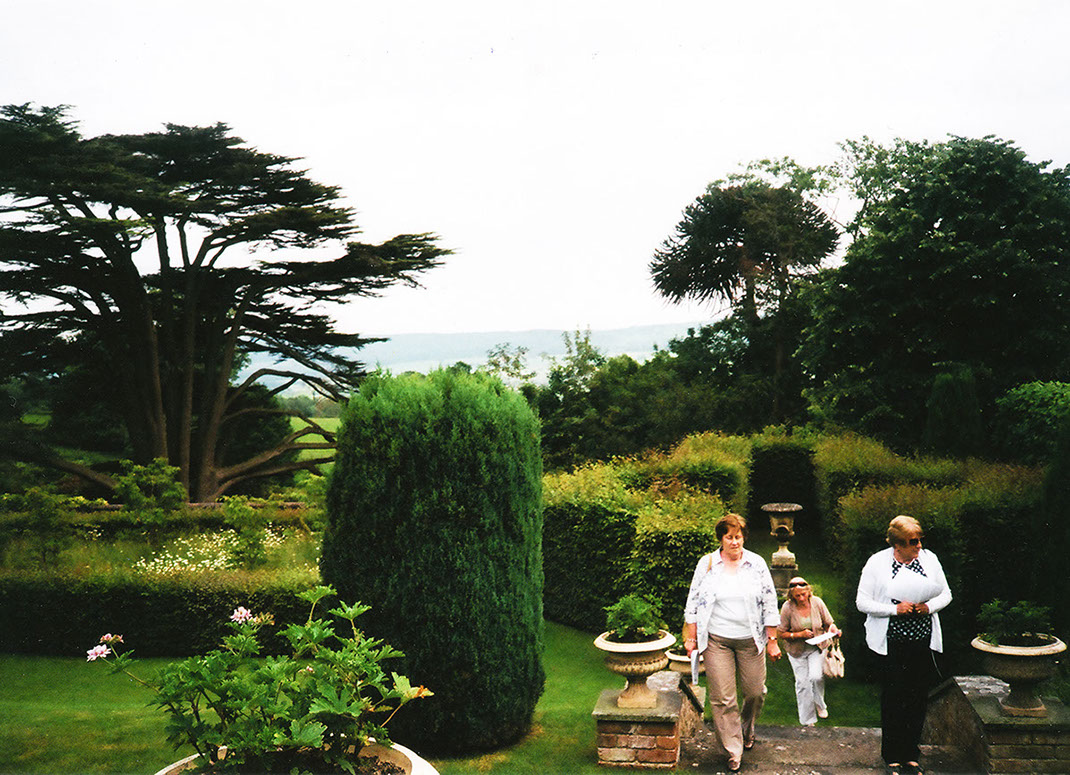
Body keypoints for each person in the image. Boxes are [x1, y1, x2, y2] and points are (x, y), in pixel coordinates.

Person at [683, 513, 781, 773]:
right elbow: (692, 602)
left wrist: (772, 640)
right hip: (717, 640)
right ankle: (732, 750)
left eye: (738, 537)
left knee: (754, 692)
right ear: (721, 539)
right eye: (730, 537)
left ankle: (747, 729)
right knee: (723, 699)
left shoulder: (757, 564)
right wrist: (691, 636)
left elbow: (770, 603)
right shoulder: (707, 564)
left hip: (751, 640)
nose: (735, 542)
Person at [856, 515, 952, 775]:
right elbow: (862, 603)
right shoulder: (877, 563)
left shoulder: (929, 559)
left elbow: (946, 594)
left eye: (920, 541)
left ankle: (911, 755)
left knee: (917, 698)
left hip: (921, 642)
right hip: (891, 644)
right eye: (913, 542)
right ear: (896, 545)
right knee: (894, 699)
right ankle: (892, 757)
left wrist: (928, 607)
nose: (919, 546)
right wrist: (894, 610)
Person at [778, 577, 842, 726]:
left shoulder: (817, 602)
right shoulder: (788, 607)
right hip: (796, 651)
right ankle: (808, 721)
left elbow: (829, 623)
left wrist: (833, 629)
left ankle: (820, 704)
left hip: (816, 647)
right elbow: (781, 633)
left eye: (803, 594)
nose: (801, 598)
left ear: (808, 592)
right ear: (791, 595)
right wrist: (799, 635)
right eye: (797, 596)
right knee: (803, 684)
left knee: (816, 677)